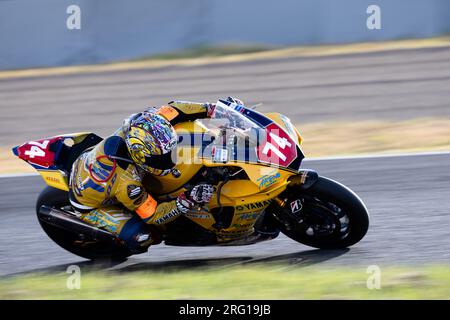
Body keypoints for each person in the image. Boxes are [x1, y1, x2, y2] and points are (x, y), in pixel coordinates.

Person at [68, 97, 243, 253]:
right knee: (144, 237)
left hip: (95, 160)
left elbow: (177, 108)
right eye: (161, 159)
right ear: (140, 156)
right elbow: (154, 216)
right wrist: (188, 199)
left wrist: (215, 110)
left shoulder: (149, 121)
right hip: (92, 204)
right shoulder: (127, 184)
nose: (168, 160)